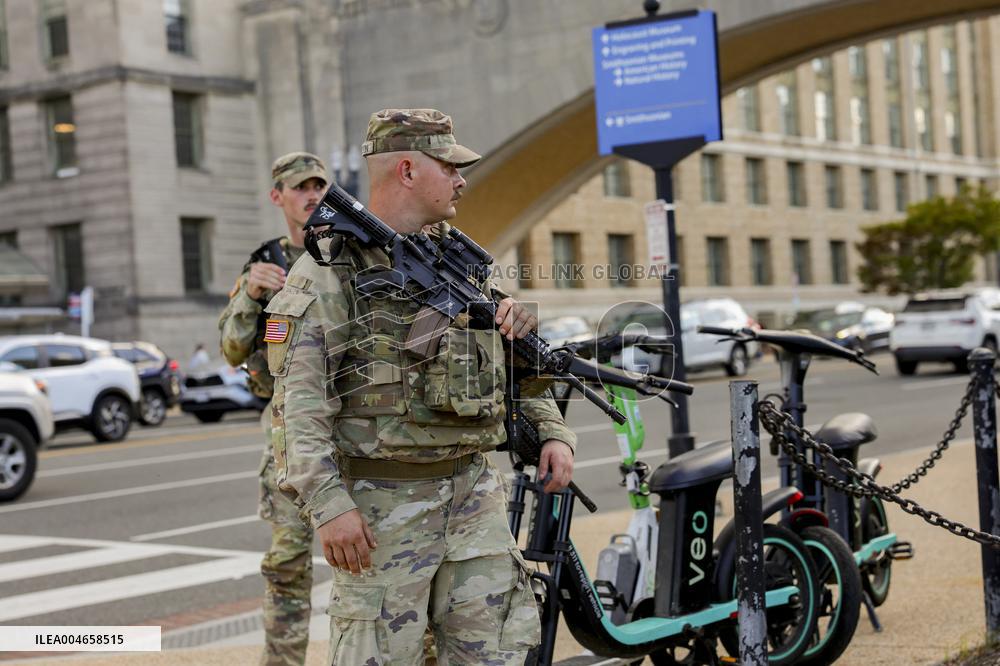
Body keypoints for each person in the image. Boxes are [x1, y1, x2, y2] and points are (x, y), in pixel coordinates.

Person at [267, 108, 576, 664]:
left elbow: (516, 366)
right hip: (383, 509)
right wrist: (329, 505)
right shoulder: (330, 271)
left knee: (498, 651)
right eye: (449, 166)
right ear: (407, 170)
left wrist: (553, 432)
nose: (462, 180)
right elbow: (298, 405)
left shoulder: (461, 261)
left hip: (473, 495)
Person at [218, 151, 329, 666]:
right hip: (285, 438)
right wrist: (249, 295)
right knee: (286, 566)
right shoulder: (262, 265)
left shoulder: (348, 252)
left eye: (318, 185)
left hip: (350, 431)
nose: (311, 195)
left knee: (377, 566)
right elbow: (233, 350)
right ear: (277, 196)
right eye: (299, 187)